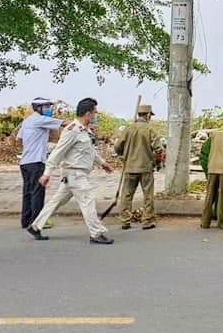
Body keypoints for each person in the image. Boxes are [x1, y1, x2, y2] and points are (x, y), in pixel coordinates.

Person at [27, 98, 114, 244]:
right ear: (87, 114)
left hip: (74, 175)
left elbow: (90, 151)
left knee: (56, 202)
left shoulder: (84, 131)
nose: (96, 115)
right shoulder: (72, 130)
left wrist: (103, 164)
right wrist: (47, 173)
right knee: (88, 201)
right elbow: (57, 152)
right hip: (76, 174)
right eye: (95, 113)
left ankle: (35, 226)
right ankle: (96, 233)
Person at [16, 98, 64, 229]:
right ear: (39, 108)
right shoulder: (41, 120)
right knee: (38, 192)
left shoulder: (27, 121)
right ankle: (36, 222)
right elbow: (64, 123)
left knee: (27, 192)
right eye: (47, 106)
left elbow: (19, 139)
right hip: (36, 162)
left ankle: (25, 220)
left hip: (25, 162)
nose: (49, 109)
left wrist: (29, 148)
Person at [114, 104, 162, 231]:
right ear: (147, 115)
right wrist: (158, 164)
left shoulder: (128, 129)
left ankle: (125, 220)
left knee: (127, 195)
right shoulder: (150, 130)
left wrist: (123, 156)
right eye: (150, 115)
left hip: (129, 167)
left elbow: (117, 147)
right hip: (146, 168)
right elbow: (159, 150)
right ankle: (148, 220)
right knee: (148, 195)